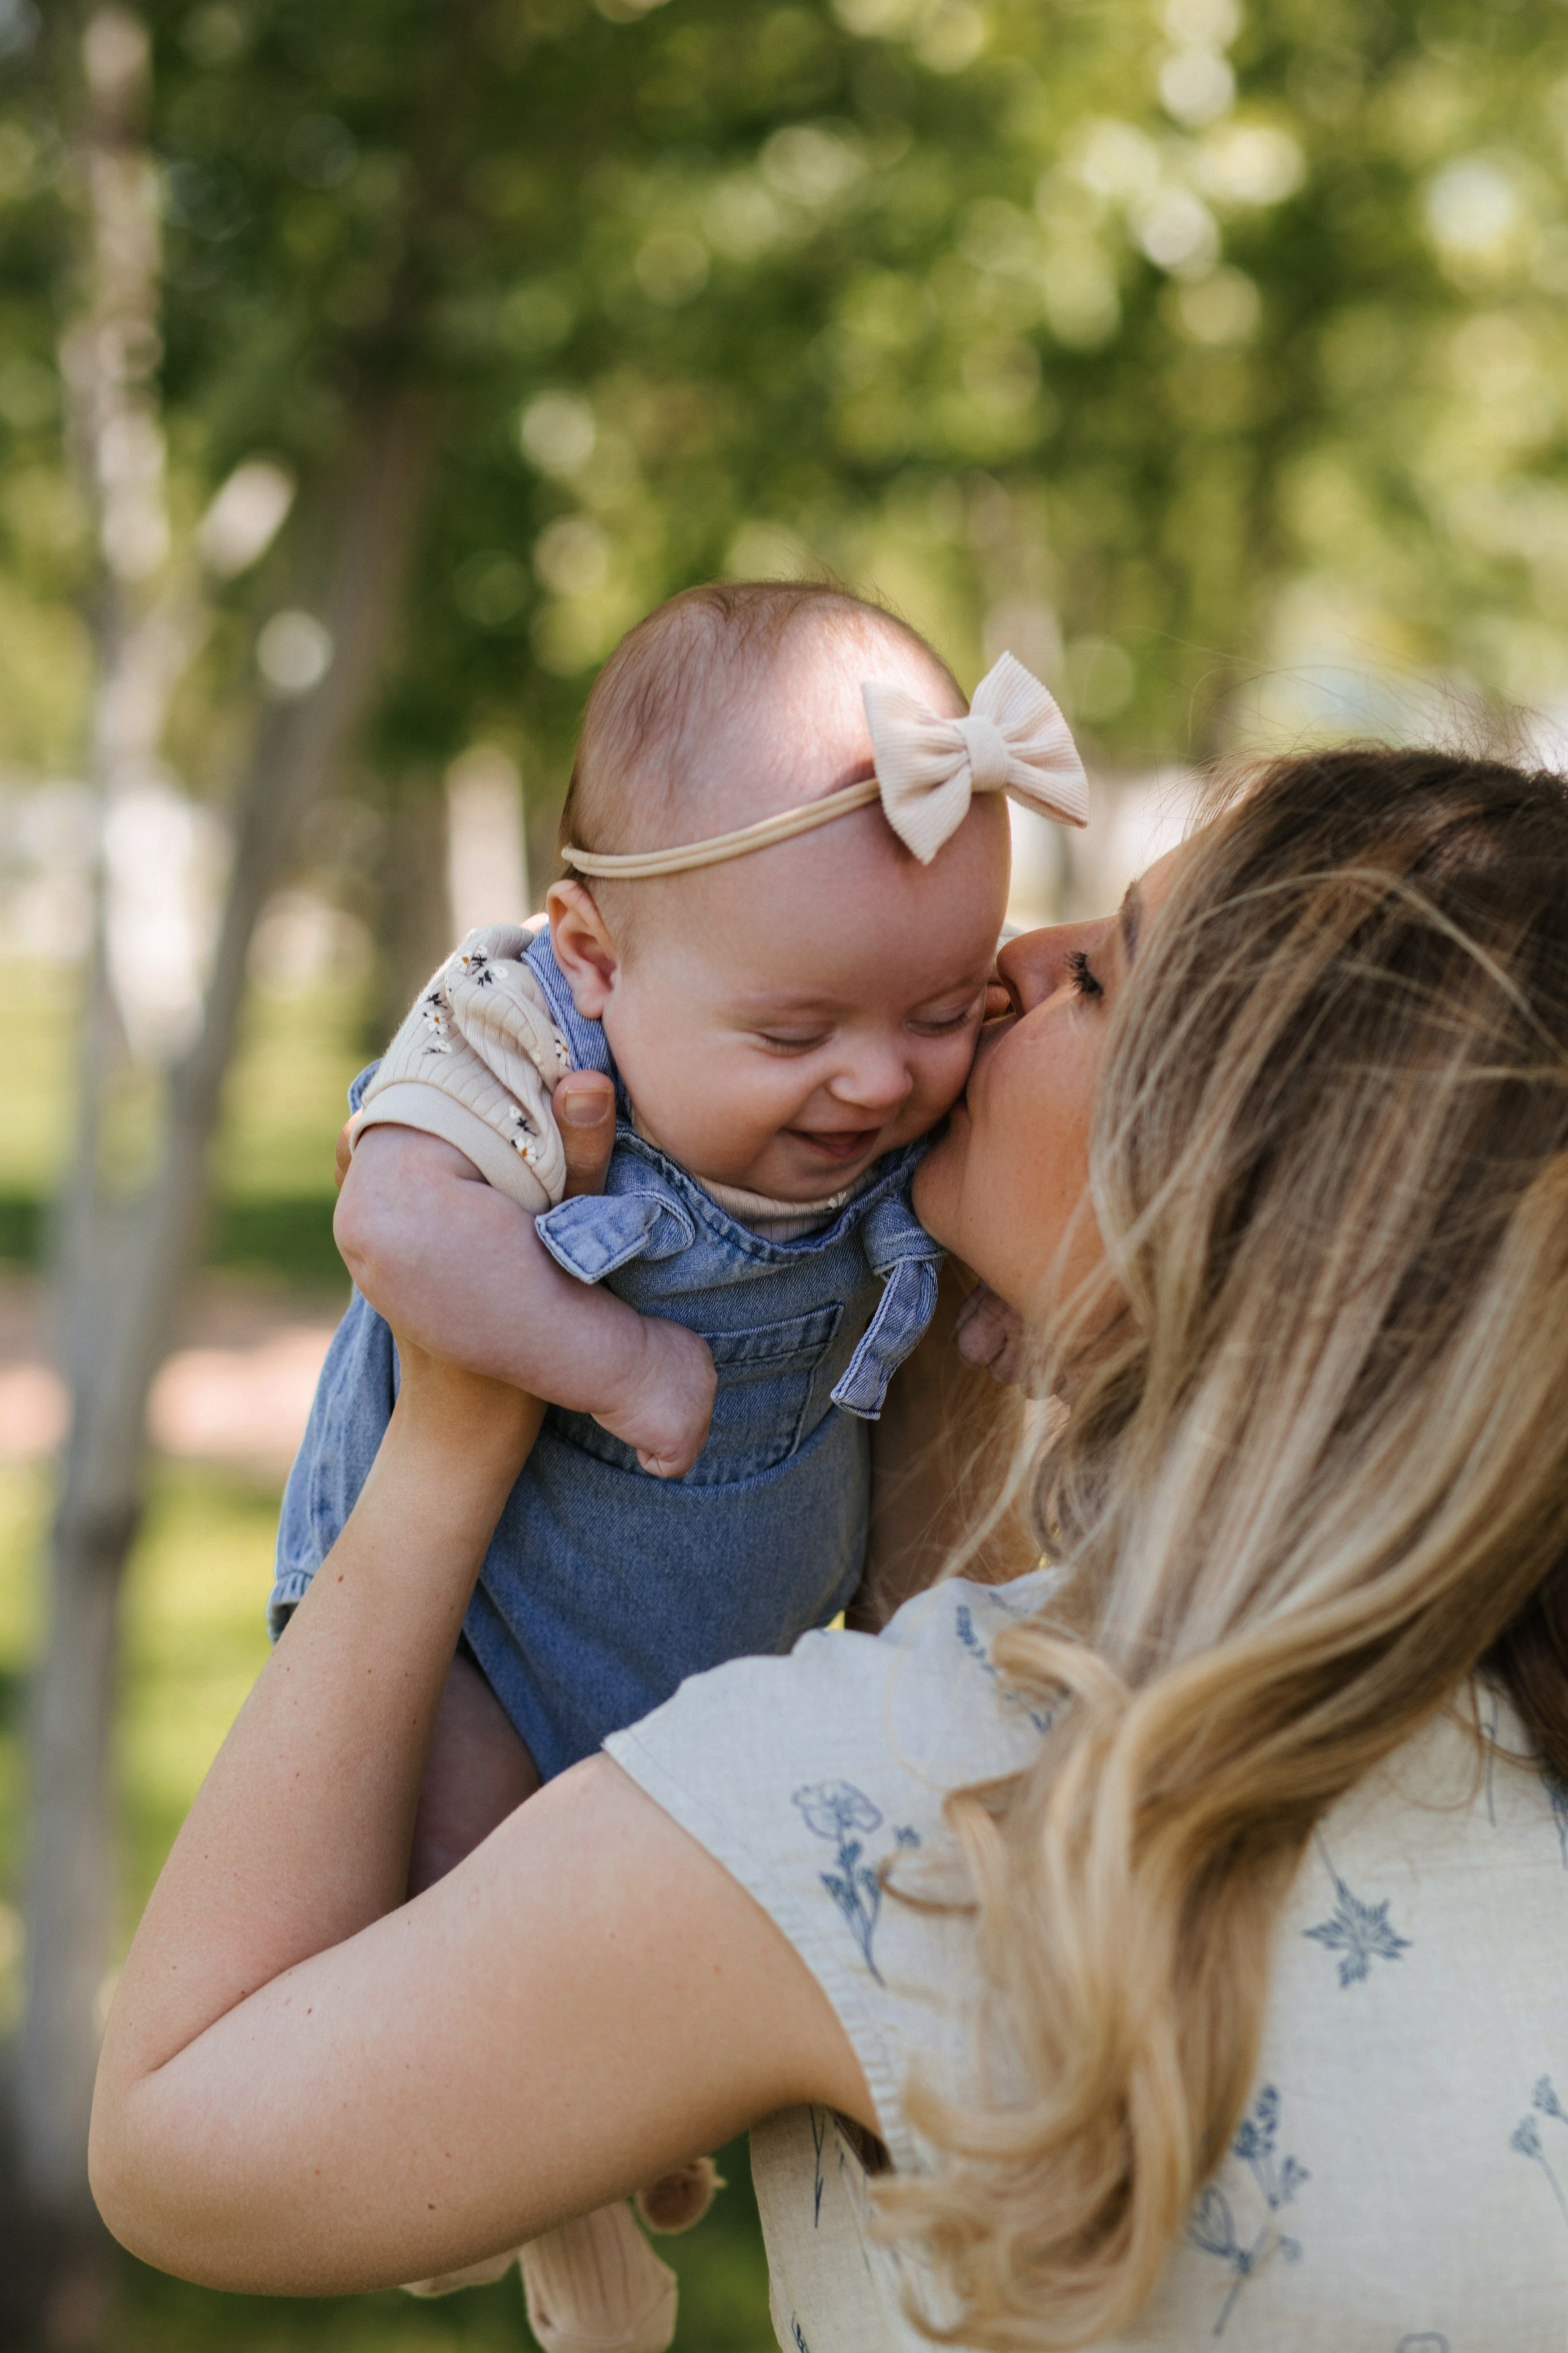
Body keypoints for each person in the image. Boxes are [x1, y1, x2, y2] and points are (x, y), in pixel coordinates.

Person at [91, 744, 1568, 2352]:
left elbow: (179, 2134)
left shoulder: (914, 1812)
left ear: (1243, 1191)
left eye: (1096, 975)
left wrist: (460, 1414)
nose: (1007, 964)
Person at [268, 578, 1081, 2348]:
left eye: (942, 1006)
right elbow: (396, 1225)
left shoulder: (881, 1063)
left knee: (633, 1921)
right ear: (596, 958)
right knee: (481, 1886)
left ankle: (607, 2122)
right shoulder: (516, 1030)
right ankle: (546, 2208)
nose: (879, 1077)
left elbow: (952, 1245)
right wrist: (605, 1350)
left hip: (729, 1627)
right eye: (796, 1036)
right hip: (499, 1609)